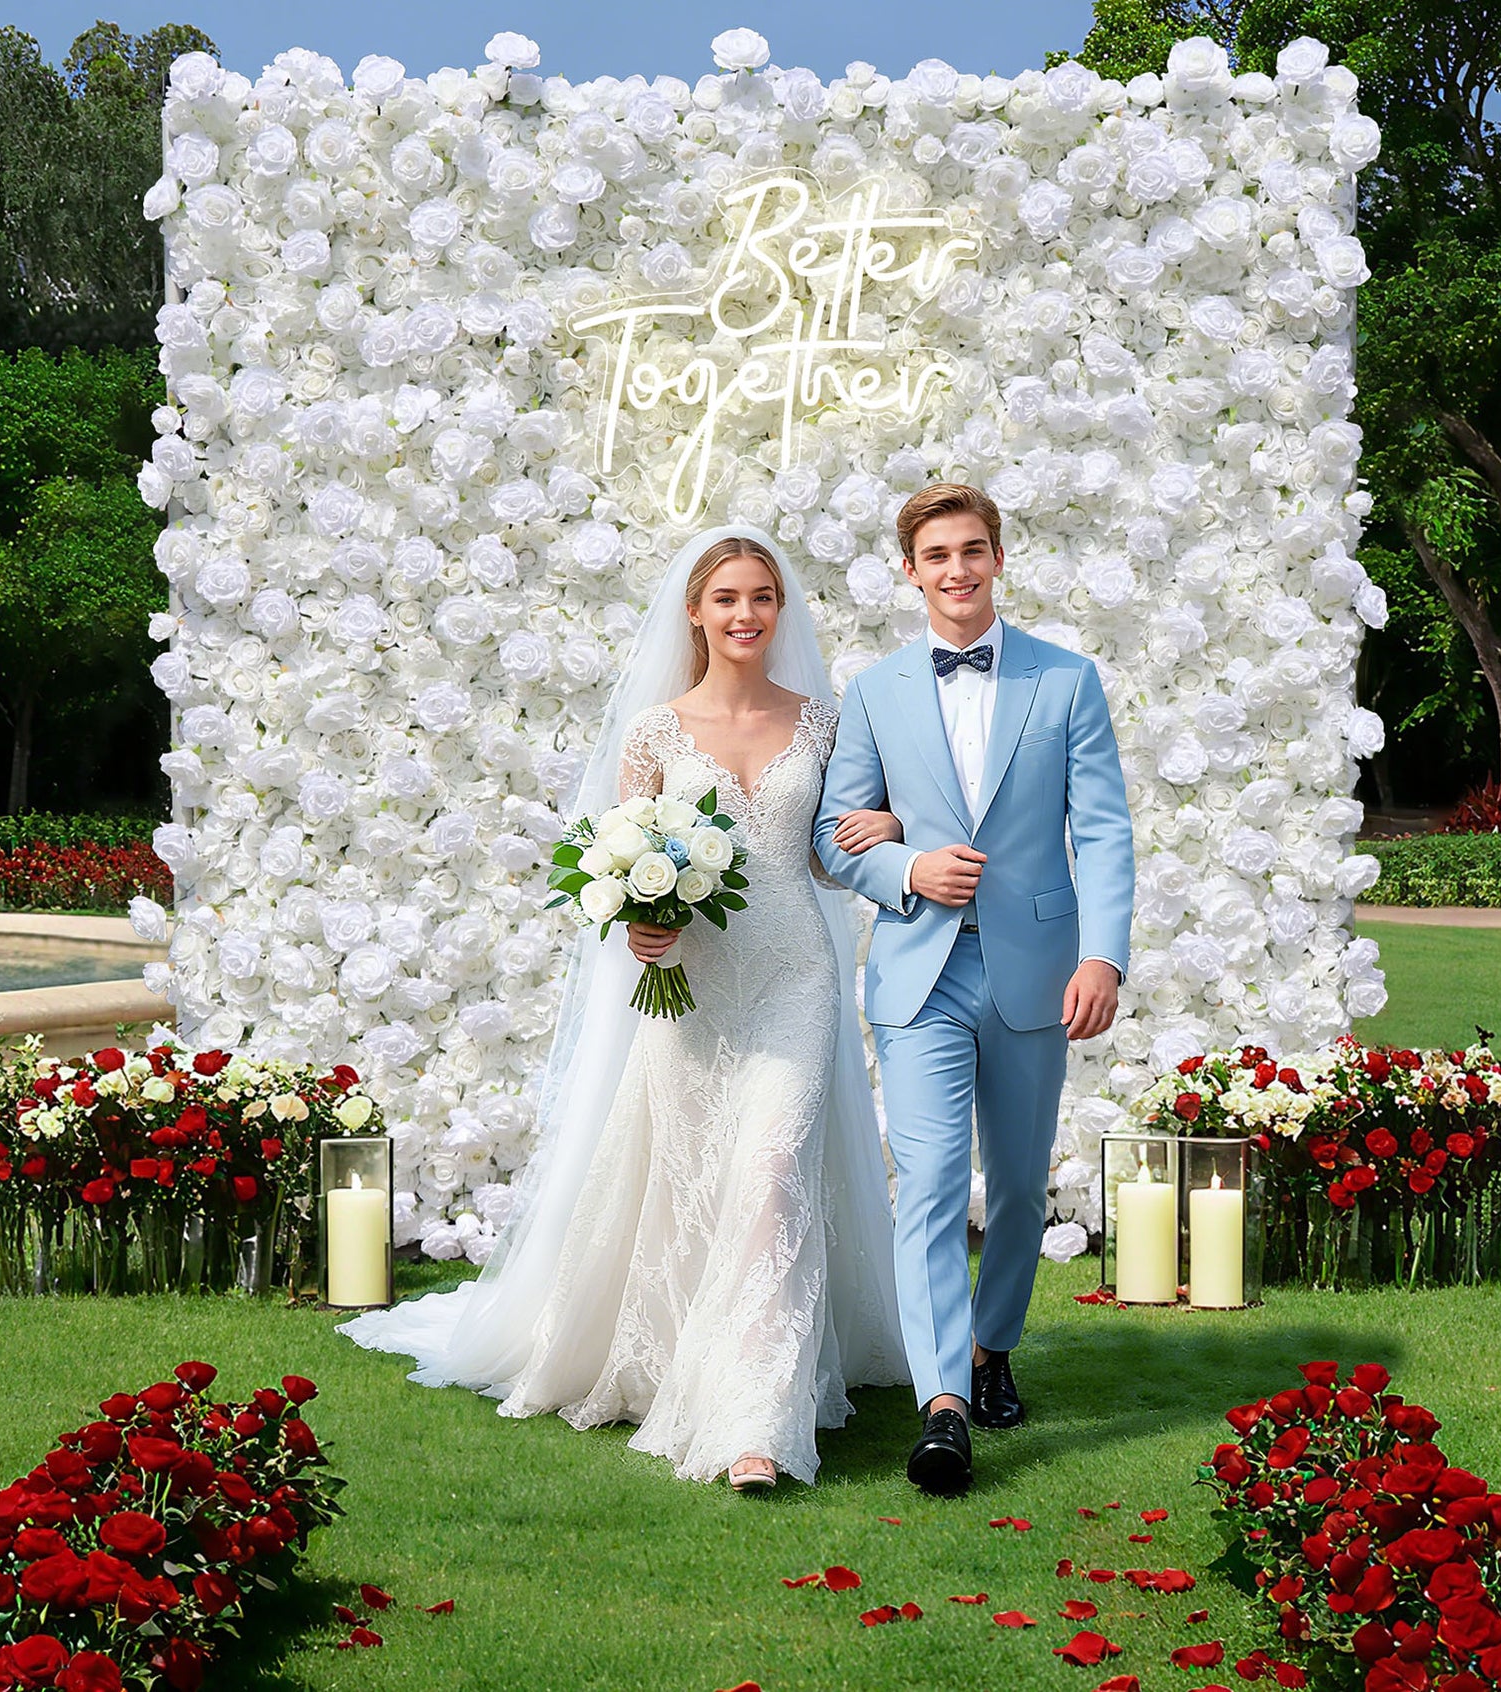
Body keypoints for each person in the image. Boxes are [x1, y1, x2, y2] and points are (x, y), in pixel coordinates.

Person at [339, 525, 910, 1489]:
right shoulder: (653, 732)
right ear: (695, 611)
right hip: (688, 988)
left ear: (781, 611)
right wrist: (641, 926)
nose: (744, 615)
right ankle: (680, 1360)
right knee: (697, 1184)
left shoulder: (825, 719)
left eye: (761, 598)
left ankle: (753, 1423)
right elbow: (619, 865)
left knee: (770, 1178)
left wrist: (882, 824)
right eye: (726, 598)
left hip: (793, 980)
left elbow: (824, 855)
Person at [813, 482, 1135, 1496]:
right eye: (937, 554)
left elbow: (1104, 830)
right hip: (919, 976)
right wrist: (908, 867)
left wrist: (1104, 956)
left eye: (973, 550)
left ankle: (994, 1347)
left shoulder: (1066, 679)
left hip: (1038, 969)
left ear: (996, 558)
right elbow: (830, 837)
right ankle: (942, 1400)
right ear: (908, 570)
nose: (956, 569)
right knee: (933, 1180)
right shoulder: (873, 691)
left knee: (1020, 1176)